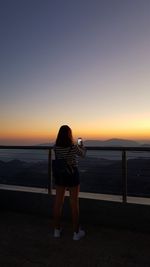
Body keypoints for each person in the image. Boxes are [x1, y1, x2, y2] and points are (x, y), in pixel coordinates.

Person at [52, 125, 86, 240]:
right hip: (72, 174)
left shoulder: (55, 147)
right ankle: (76, 233)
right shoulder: (73, 147)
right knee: (74, 204)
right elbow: (83, 154)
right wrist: (81, 145)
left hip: (60, 175)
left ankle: (56, 230)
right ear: (69, 135)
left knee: (58, 203)